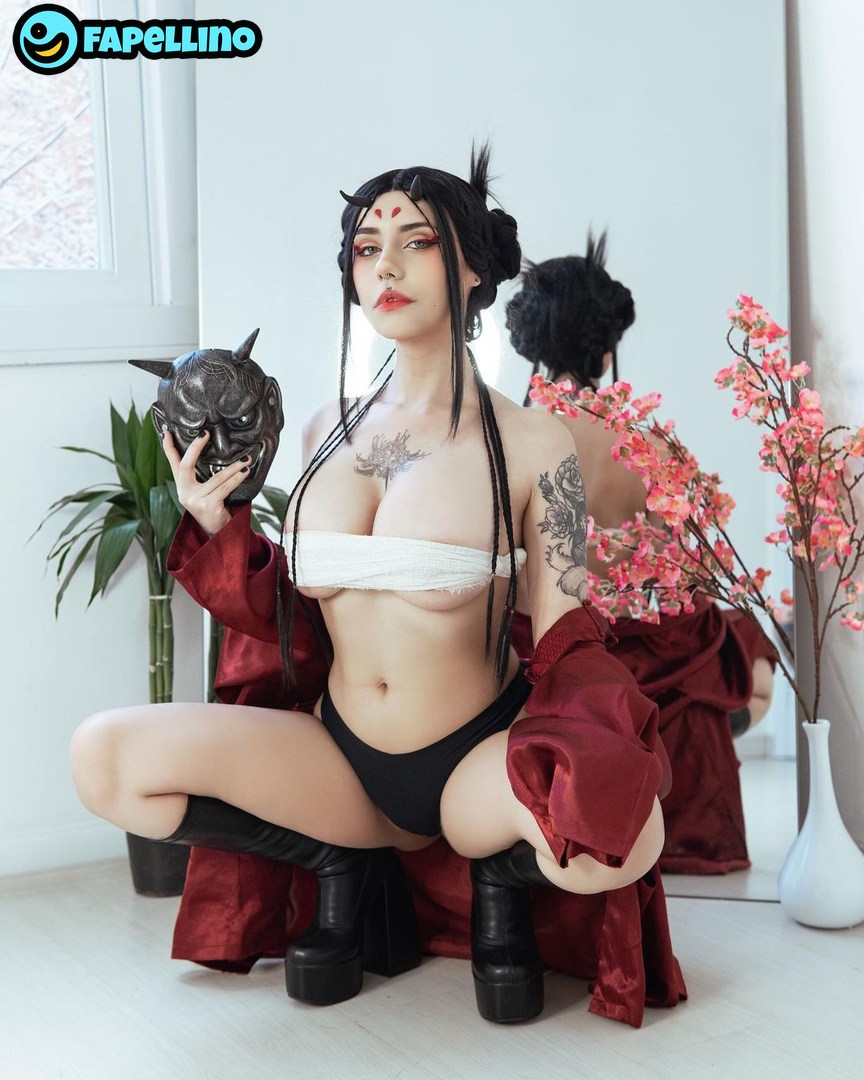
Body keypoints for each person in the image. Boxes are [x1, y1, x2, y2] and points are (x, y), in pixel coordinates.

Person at [70, 150, 684, 1025]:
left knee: (620, 839)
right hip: (340, 758)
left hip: (473, 761)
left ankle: (498, 882)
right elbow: (299, 617)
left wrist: (598, 753)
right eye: (366, 248)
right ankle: (339, 860)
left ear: (471, 268)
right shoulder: (324, 430)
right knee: (104, 758)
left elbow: (564, 628)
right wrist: (215, 526)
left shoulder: (531, 441)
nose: (385, 266)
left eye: (416, 242)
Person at [506, 234, 776, 874]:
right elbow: (680, 571)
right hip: (636, 641)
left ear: (530, 345)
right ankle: (667, 765)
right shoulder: (646, 444)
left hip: (539, 644)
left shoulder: (507, 438)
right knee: (742, 648)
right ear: (605, 350)